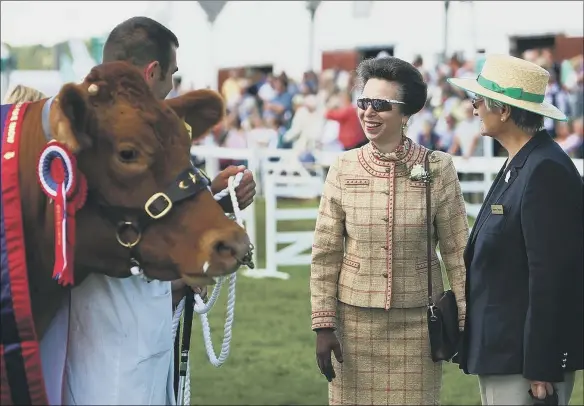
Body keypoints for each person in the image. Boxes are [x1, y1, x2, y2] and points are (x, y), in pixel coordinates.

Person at [51, 16, 257, 405]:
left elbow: (150, 215)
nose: (172, 87)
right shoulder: (84, 136)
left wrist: (214, 204)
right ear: (153, 71)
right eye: (172, 75)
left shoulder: (140, 136)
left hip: (145, 326)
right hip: (109, 338)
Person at [310, 56, 468, 405]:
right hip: (352, 328)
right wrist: (323, 324)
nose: (368, 113)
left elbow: (459, 253)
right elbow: (325, 252)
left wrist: (464, 320)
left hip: (419, 326)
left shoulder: (437, 167)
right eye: (363, 103)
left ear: (405, 112)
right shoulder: (342, 166)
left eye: (380, 105)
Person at [447, 54, 583, 405]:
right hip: (503, 352)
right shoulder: (522, 161)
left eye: (477, 101)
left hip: (524, 364)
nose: (473, 109)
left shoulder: (545, 169)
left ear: (503, 110)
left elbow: (551, 275)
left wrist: (541, 364)